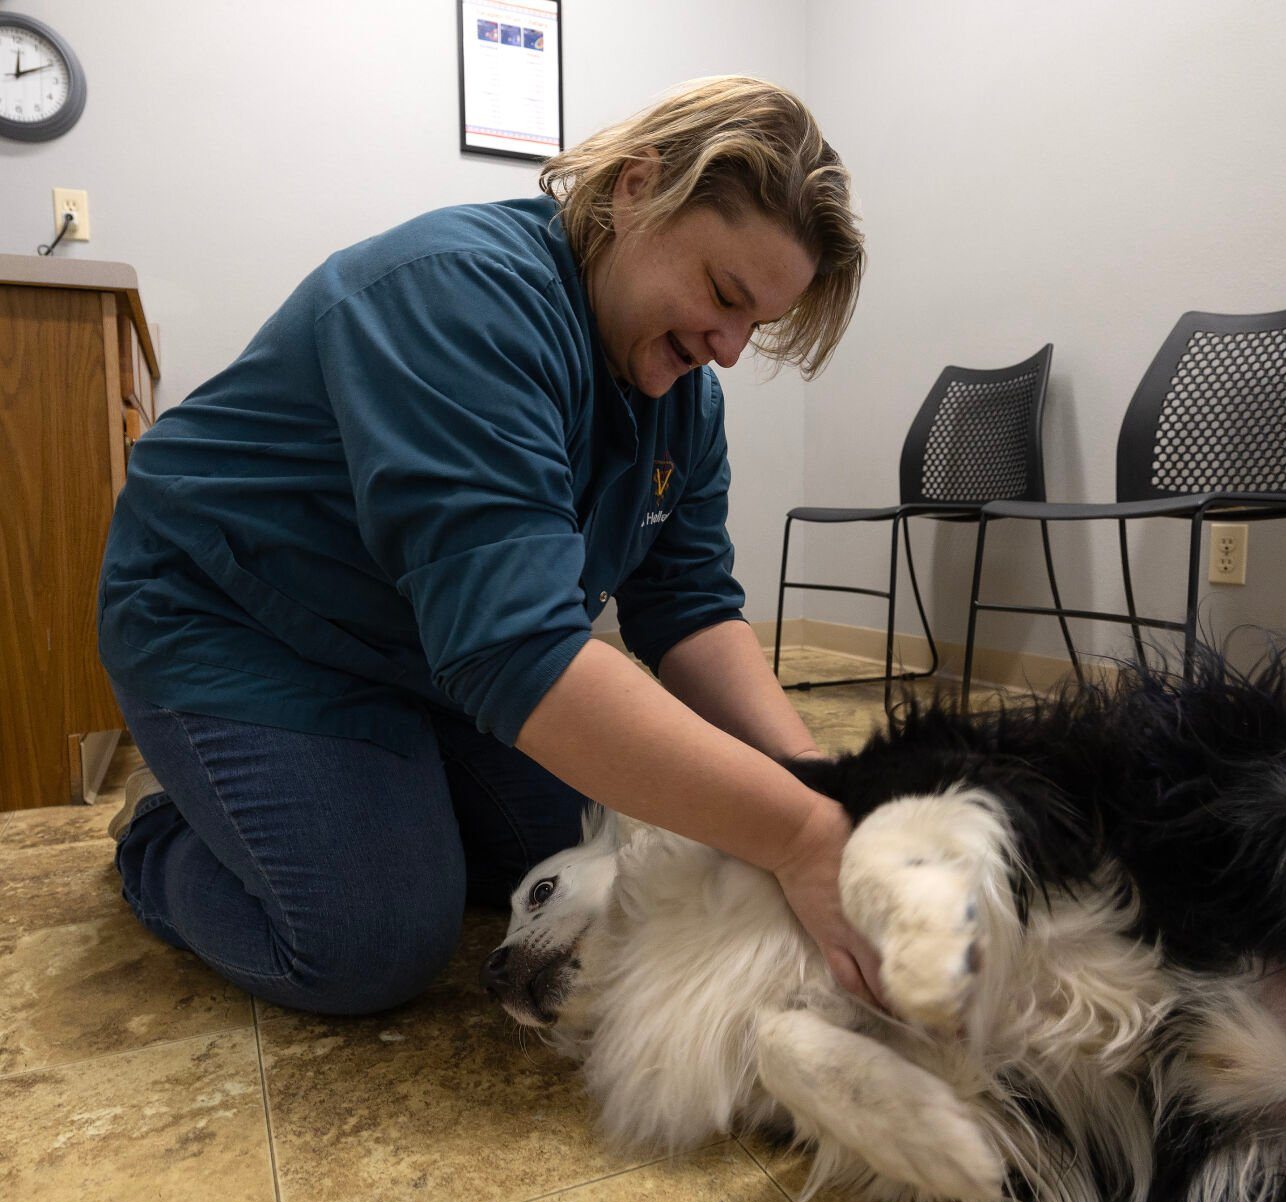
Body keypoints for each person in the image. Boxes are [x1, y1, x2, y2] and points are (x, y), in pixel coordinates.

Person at [97, 75, 878, 1016]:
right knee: (369, 943)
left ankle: (365, 792)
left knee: (587, 840)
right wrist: (798, 838)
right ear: (638, 187)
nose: (728, 349)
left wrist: (819, 787)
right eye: (723, 294)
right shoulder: (458, 295)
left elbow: (693, 609)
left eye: (759, 323)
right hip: (235, 622)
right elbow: (518, 650)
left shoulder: (683, 399)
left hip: (419, 645)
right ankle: (161, 835)